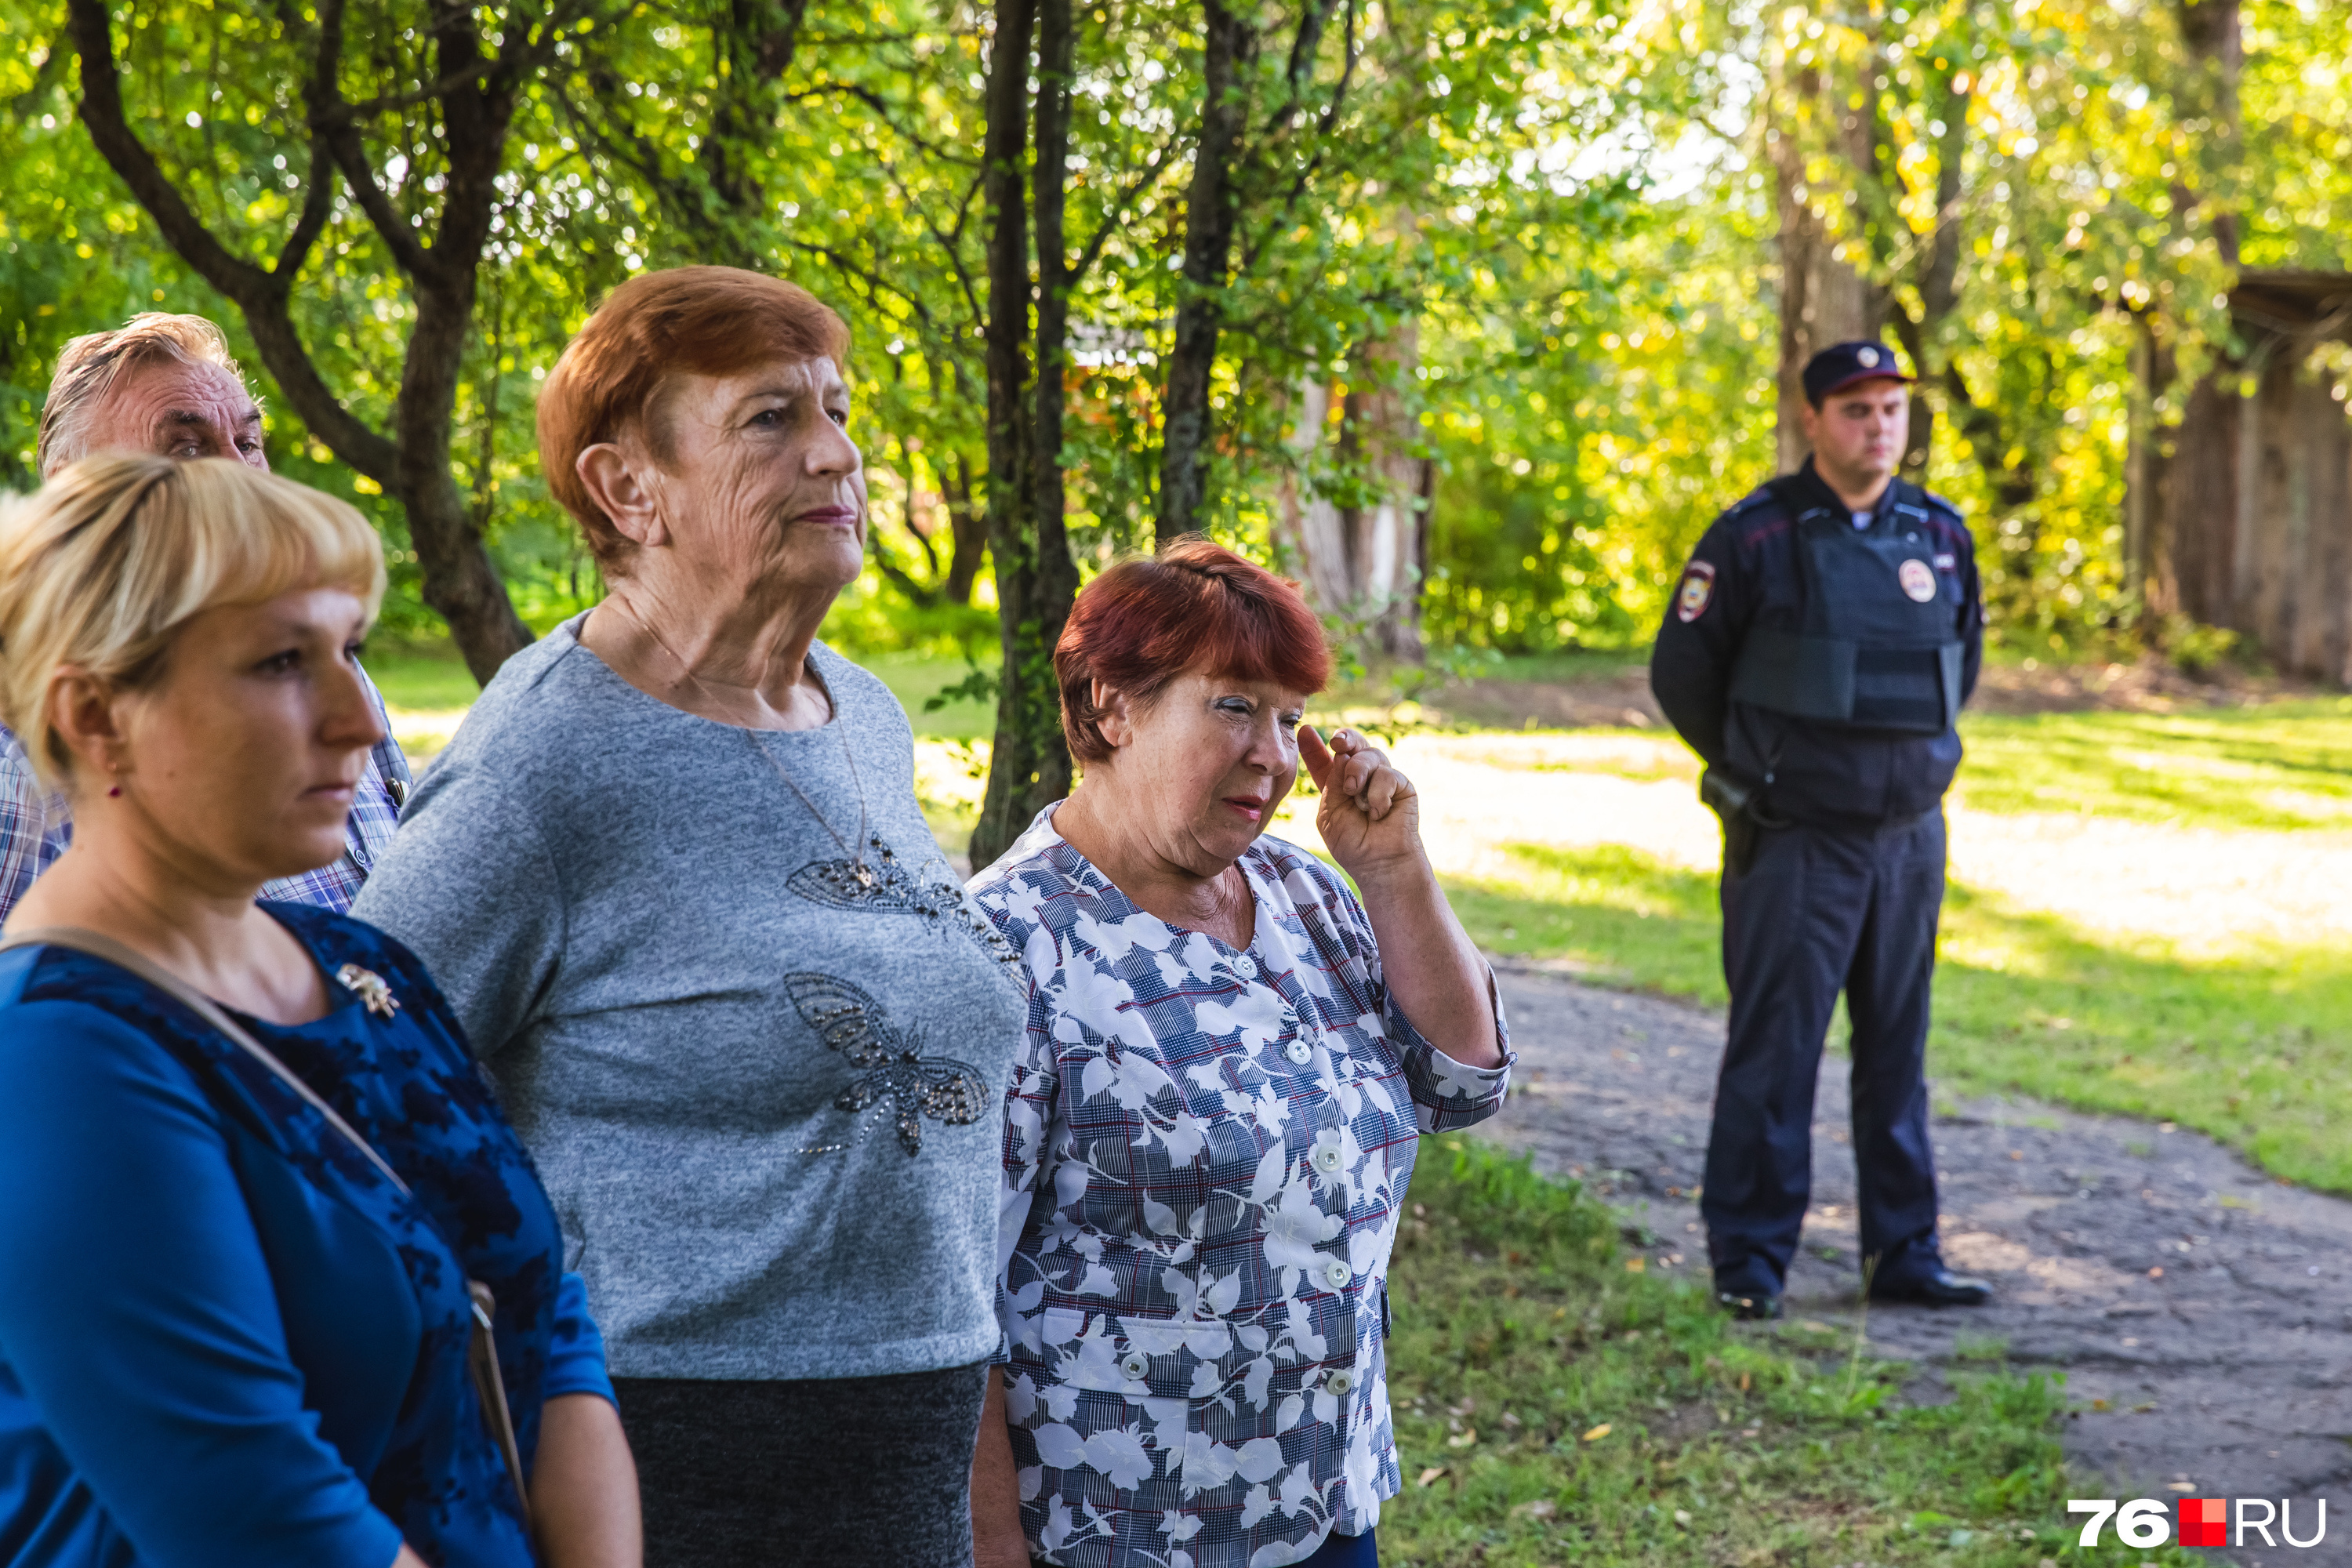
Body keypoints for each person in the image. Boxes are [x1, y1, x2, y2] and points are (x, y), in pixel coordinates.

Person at [351, 265, 1029, 1566]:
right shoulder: (547, 761)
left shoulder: (862, 716)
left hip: (908, 1443)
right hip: (659, 1464)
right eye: (771, 419)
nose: (837, 454)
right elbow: (360, 1093)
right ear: (628, 488)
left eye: (838, 410)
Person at [0, 455, 638, 1566]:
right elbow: (262, 1521)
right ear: (97, 714)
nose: (358, 717)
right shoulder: (56, 1057)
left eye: (352, 650)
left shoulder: (357, 967)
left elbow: (548, 1322)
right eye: (284, 661)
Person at [966, 541, 1514, 1568]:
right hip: (1126, 1534)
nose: (1272, 751)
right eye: (1233, 707)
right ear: (1113, 706)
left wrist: (1394, 871)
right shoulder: (1009, 949)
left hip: (1325, 1501)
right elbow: (953, 1304)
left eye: (1290, 717)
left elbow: (1461, 1079)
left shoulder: (1305, 895)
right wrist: (993, 1550)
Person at [1649, 340, 1993, 1321]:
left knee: (1900, 1047)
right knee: (1777, 1048)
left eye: (1891, 407)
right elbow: (1683, 672)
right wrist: (1763, 773)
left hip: (1909, 839)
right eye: (1855, 408)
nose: (1878, 424)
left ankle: (1906, 1251)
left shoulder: (1940, 532)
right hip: (1798, 837)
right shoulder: (1756, 536)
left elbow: (1956, 667)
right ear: (1813, 420)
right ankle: (1751, 1262)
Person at [0, 312, 412, 923]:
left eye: (248, 444)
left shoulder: (332, 667)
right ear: (73, 495)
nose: (243, 477)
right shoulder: (27, 747)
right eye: (187, 448)